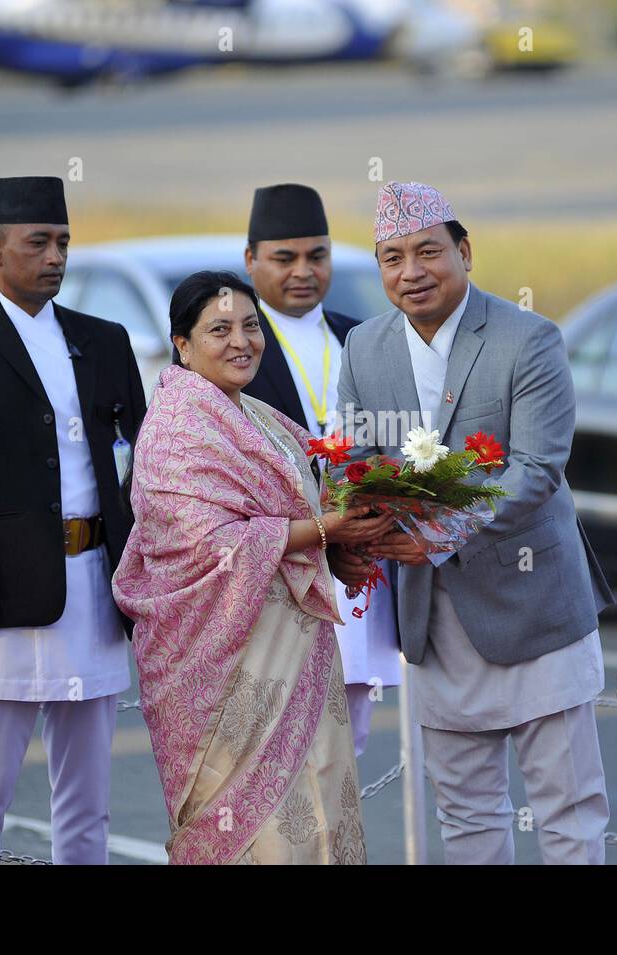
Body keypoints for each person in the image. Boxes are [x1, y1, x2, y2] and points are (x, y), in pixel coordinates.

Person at [335, 181, 615, 865]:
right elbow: (357, 460)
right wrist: (355, 531)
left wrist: (436, 531)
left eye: (429, 251)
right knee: (465, 812)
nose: (412, 272)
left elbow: (536, 468)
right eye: (392, 257)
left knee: (567, 809)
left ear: (464, 251)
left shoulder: (530, 337)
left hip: (535, 604)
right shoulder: (365, 347)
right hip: (433, 616)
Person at [113, 271, 393, 864]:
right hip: (223, 660)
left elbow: (298, 509)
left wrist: (337, 544)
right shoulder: (174, 430)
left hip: (296, 648)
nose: (242, 341)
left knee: (320, 803)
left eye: (250, 325)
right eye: (220, 329)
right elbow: (212, 548)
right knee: (256, 832)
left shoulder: (257, 415)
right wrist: (324, 531)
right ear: (183, 345)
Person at [0, 176, 147, 865]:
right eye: (37, 242)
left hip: (94, 586)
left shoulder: (103, 340)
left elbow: (140, 460)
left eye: (63, 241)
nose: (55, 256)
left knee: (87, 799)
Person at [240, 182, 399, 756]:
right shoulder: (235, 342)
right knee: (281, 753)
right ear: (251, 260)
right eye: (285, 258)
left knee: (348, 745)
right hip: (283, 569)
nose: (303, 271)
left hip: (358, 566)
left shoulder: (366, 335)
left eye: (317, 255)